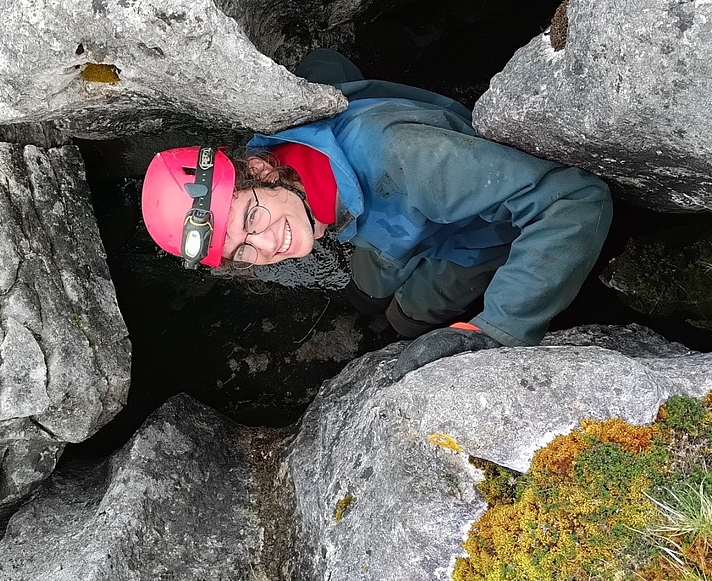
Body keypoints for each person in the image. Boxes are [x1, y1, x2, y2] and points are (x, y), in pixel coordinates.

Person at [141, 49, 612, 378]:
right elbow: (325, 62)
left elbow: (572, 198)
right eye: (242, 249)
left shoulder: (401, 155)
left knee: (412, 317)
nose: (268, 246)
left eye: (249, 220)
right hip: (378, 230)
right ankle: (372, 312)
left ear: (261, 170)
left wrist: (501, 329)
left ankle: (400, 326)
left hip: (474, 233)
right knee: (365, 293)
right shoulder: (290, 151)